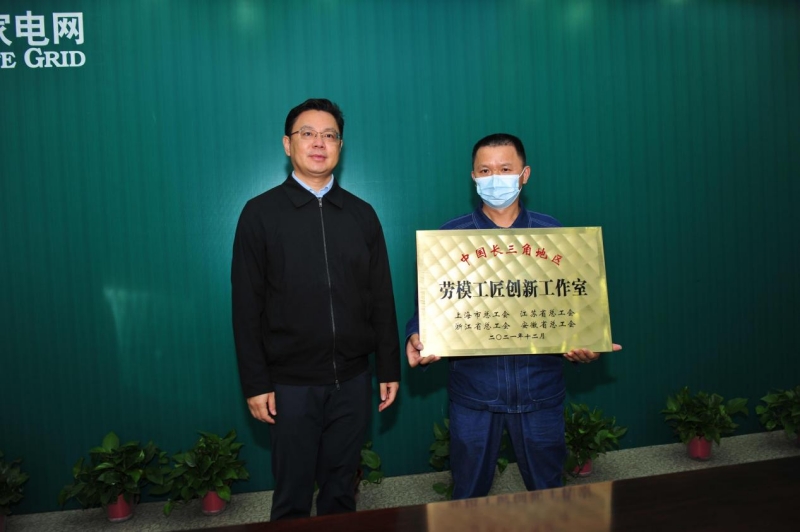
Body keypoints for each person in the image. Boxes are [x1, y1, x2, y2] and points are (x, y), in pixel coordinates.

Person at [405, 133, 621, 499]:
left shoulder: (555, 235)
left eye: (505, 169)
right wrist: (417, 335)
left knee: (549, 496)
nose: (495, 178)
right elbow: (426, 309)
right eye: (485, 170)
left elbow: (576, 307)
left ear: (525, 174)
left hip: (540, 391)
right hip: (474, 394)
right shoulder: (450, 237)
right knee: (467, 498)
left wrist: (588, 341)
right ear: (473, 177)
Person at [232, 98, 401, 520]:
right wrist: (255, 382)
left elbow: (381, 296)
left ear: (341, 146)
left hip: (353, 380)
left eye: (329, 135)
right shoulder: (260, 214)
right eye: (307, 133)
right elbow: (246, 306)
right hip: (290, 385)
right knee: (291, 496)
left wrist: (389, 367)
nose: (319, 143)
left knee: (341, 491)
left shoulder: (362, 214)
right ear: (287, 144)